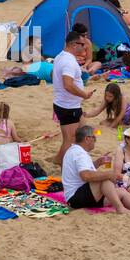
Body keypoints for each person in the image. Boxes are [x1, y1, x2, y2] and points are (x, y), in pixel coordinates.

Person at [63, 124, 130, 213]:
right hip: (76, 198)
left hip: (84, 195)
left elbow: (81, 172)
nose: (96, 140)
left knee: (121, 192)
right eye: (94, 138)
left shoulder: (75, 151)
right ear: (87, 139)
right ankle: (120, 208)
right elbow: (85, 176)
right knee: (106, 178)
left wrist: (97, 163)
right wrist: (108, 174)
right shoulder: (79, 153)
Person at [52, 31, 94, 164]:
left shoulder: (61, 56)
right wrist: (84, 95)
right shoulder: (68, 61)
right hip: (68, 106)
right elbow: (68, 85)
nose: (85, 47)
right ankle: (58, 161)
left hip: (68, 104)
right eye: (83, 44)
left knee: (85, 133)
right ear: (74, 44)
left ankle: (78, 157)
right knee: (69, 139)